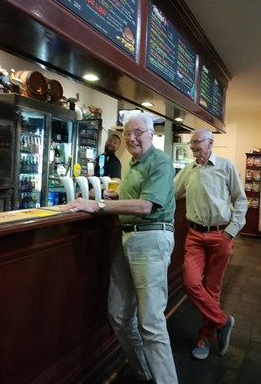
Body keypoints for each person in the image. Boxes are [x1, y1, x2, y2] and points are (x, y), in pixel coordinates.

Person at [62, 113, 178, 384]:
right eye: (127, 133)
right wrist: (110, 195)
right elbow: (134, 197)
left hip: (151, 239)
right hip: (129, 239)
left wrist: (98, 205)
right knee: (118, 314)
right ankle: (145, 372)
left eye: (138, 132)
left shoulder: (160, 161)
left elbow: (146, 206)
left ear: (151, 133)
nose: (132, 138)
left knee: (150, 323)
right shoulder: (133, 164)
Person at [174, 128, 247, 360]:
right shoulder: (188, 170)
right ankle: (223, 322)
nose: (194, 147)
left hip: (220, 235)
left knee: (212, 288)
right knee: (190, 281)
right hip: (194, 235)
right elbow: (171, 193)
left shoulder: (226, 166)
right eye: (191, 143)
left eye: (197, 142)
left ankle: (204, 337)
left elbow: (241, 200)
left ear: (210, 143)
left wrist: (231, 231)